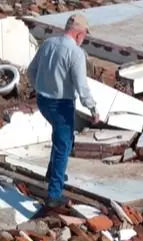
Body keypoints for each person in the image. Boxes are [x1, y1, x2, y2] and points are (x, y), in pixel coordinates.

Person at [27, 14, 99, 209]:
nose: (84, 38)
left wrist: (39, 87)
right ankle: (54, 194)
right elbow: (81, 86)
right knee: (63, 145)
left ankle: (53, 173)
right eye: (84, 34)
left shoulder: (48, 44)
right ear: (79, 34)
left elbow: (30, 71)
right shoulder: (75, 53)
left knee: (62, 138)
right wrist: (93, 108)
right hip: (61, 104)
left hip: (43, 101)